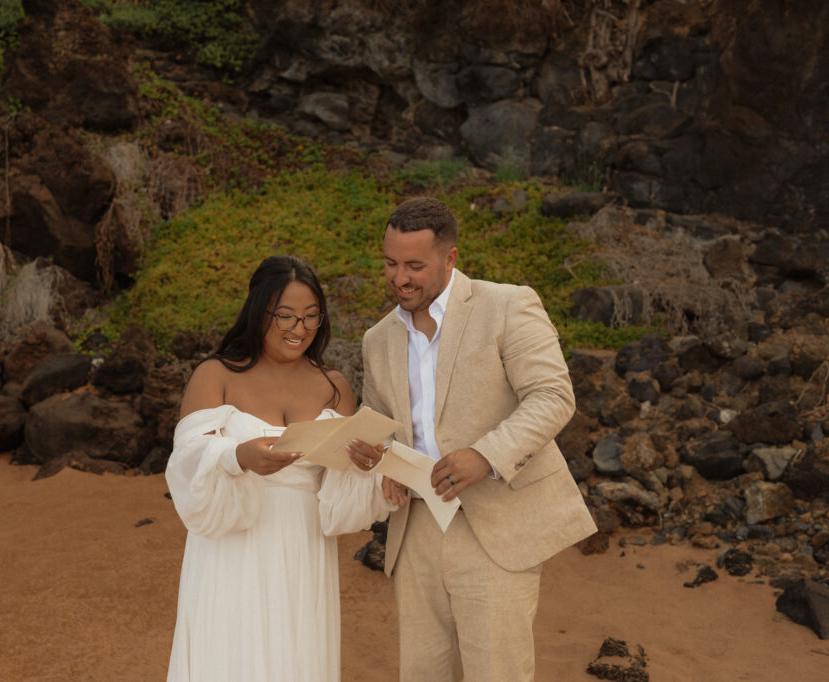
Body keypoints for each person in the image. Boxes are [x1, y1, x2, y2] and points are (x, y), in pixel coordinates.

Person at [350, 197, 598, 681]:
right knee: (423, 673)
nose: (400, 277)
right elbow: (382, 424)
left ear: (451, 258)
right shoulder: (376, 340)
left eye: (415, 265)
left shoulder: (507, 304)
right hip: (415, 529)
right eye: (390, 263)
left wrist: (486, 455)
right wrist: (382, 466)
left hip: (496, 525)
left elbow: (552, 395)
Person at [165, 255, 394, 682]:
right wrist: (237, 457)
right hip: (231, 546)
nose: (299, 328)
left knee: (298, 656)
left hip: (303, 544)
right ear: (259, 311)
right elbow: (186, 461)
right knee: (229, 653)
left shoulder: (334, 385)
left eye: (311, 316)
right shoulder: (216, 374)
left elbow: (343, 491)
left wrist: (365, 466)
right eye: (285, 316)